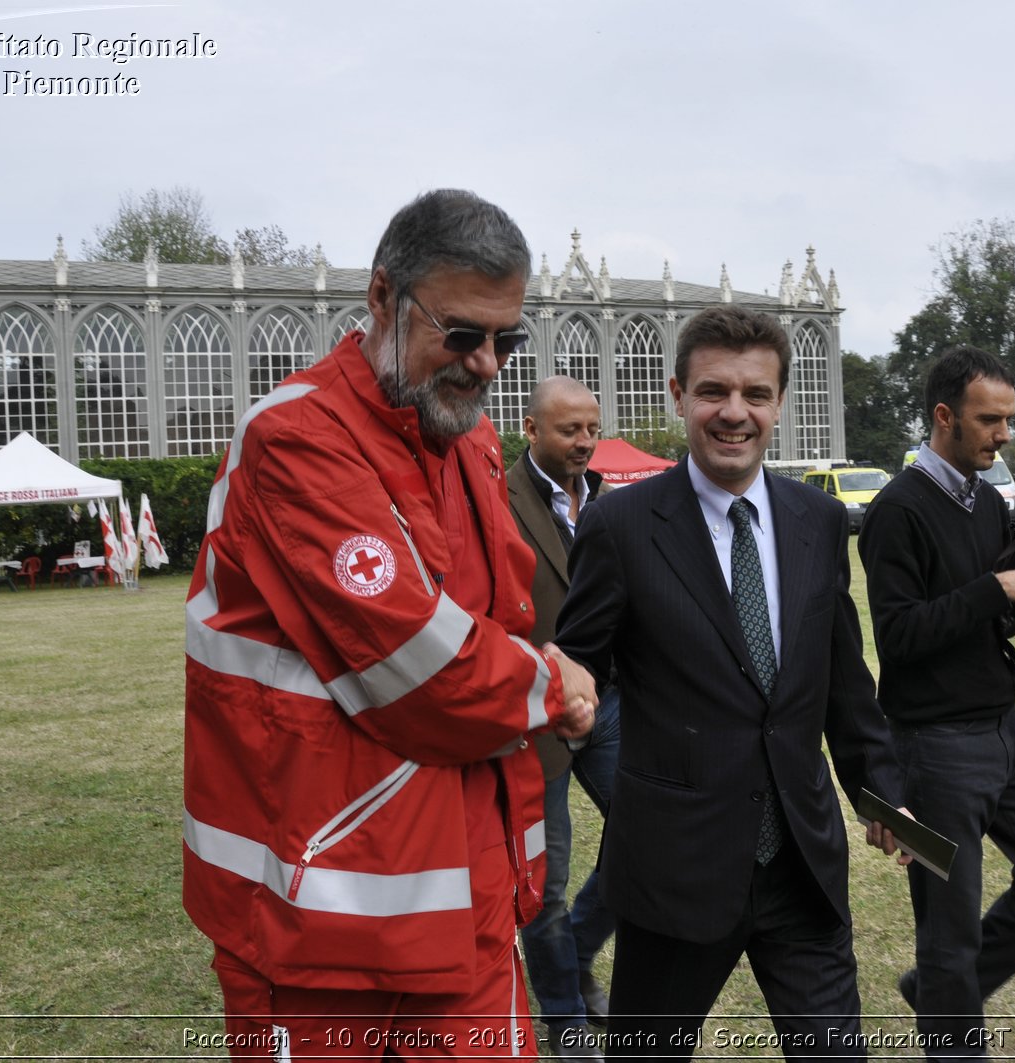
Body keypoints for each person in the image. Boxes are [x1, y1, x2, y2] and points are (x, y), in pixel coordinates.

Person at [182, 189, 598, 1059]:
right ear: (381, 298)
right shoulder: (296, 436)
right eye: (462, 334)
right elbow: (425, 666)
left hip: (470, 902)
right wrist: (552, 682)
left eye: (507, 340)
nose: (488, 364)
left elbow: (504, 621)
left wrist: (531, 667)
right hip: (323, 922)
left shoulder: (470, 440)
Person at [555, 305, 909, 1059]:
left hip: (801, 865)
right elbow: (577, 667)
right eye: (714, 391)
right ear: (678, 394)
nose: (734, 412)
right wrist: (568, 702)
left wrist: (881, 792)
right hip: (673, 867)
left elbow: (844, 685)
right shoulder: (619, 526)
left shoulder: (818, 519)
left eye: (756, 393)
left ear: (778, 402)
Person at [858, 346, 1015, 1060]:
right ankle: (951, 1019)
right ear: (944, 416)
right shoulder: (896, 509)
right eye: (990, 420)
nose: (1004, 434)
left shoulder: (988, 501)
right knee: (949, 932)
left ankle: (936, 991)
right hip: (933, 752)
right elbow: (898, 636)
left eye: (1009, 420)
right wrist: (1000, 592)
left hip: (1005, 732)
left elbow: (981, 613)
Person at [506, 376, 620, 1058]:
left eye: (590, 429)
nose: (583, 442)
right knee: (543, 882)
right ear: (530, 429)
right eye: (568, 430)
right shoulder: (496, 498)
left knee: (647, 832)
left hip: (607, 705)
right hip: (532, 716)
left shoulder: (606, 498)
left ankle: (573, 951)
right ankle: (564, 1014)